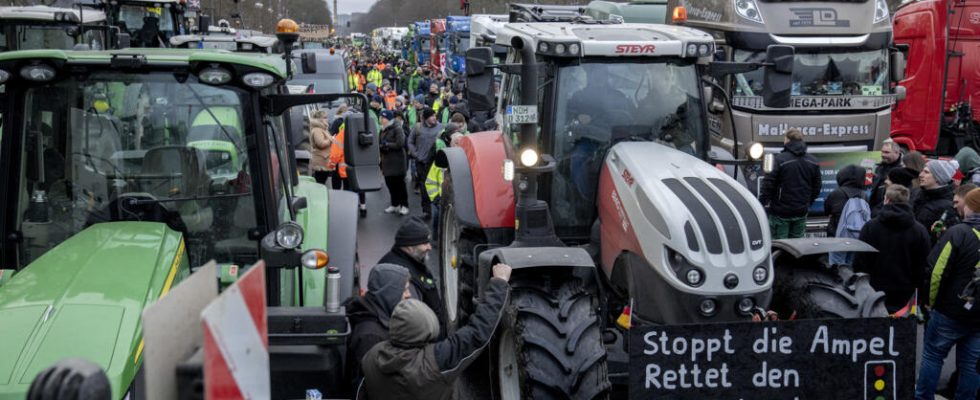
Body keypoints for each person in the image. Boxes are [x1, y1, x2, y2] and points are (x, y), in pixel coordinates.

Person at [359, 263, 512, 400]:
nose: (408, 294)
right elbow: (477, 333)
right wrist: (499, 283)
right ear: (429, 329)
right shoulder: (435, 361)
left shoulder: (372, 355)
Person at [916, 188, 980, 400]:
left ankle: (923, 397)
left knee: (933, 356)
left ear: (972, 207)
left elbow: (936, 273)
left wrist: (930, 302)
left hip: (950, 311)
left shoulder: (959, 232)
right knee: (971, 365)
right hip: (978, 315)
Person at [853, 185, 931, 313]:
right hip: (906, 295)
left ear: (887, 200)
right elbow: (923, 267)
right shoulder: (919, 230)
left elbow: (860, 262)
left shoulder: (870, 227)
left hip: (874, 293)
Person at [346, 264, 412, 389]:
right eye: (404, 290)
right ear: (389, 292)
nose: (409, 295)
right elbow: (367, 385)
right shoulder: (371, 336)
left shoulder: (377, 312)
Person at [378, 217, 445, 328]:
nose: (429, 247)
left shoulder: (414, 260)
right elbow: (413, 321)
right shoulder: (402, 276)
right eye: (424, 243)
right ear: (409, 248)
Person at [759, 128, 822, 239]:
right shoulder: (813, 161)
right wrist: (807, 203)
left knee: (779, 246)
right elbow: (817, 187)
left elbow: (768, 183)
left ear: (787, 140)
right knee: (797, 247)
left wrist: (762, 202)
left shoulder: (779, 159)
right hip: (801, 211)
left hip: (780, 213)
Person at [407, 108, 442, 219]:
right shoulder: (418, 127)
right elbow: (410, 141)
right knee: (424, 187)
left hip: (435, 163)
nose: (434, 118)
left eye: (435, 115)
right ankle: (426, 211)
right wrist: (416, 153)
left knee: (437, 187)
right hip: (421, 162)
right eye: (431, 116)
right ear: (426, 118)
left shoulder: (441, 127)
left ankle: (438, 208)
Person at [915, 159, 957, 239]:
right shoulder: (920, 194)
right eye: (922, 171)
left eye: (926, 172)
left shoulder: (947, 207)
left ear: (938, 177)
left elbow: (937, 235)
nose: (920, 175)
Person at [823, 164, 867, 237]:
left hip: (837, 234)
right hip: (860, 235)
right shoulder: (864, 195)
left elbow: (826, 211)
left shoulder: (836, 193)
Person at [380, 110, 409, 216]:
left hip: (397, 161)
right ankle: (394, 204)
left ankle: (404, 205)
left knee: (400, 184)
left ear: (388, 119)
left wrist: (387, 144)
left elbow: (400, 143)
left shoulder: (397, 128)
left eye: (382, 118)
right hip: (387, 161)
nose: (381, 120)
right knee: (390, 183)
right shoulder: (383, 129)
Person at [870, 140, 904, 209]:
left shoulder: (902, 171)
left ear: (897, 153)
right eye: (882, 152)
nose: (883, 155)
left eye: (887, 152)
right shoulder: (879, 167)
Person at [308, 109, 335, 184]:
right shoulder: (317, 129)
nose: (327, 119)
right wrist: (331, 139)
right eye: (324, 117)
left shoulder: (322, 128)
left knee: (321, 181)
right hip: (321, 161)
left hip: (324, 160)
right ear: (319, 119)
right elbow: (321, 144)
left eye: (326, 117)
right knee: (320, 182)